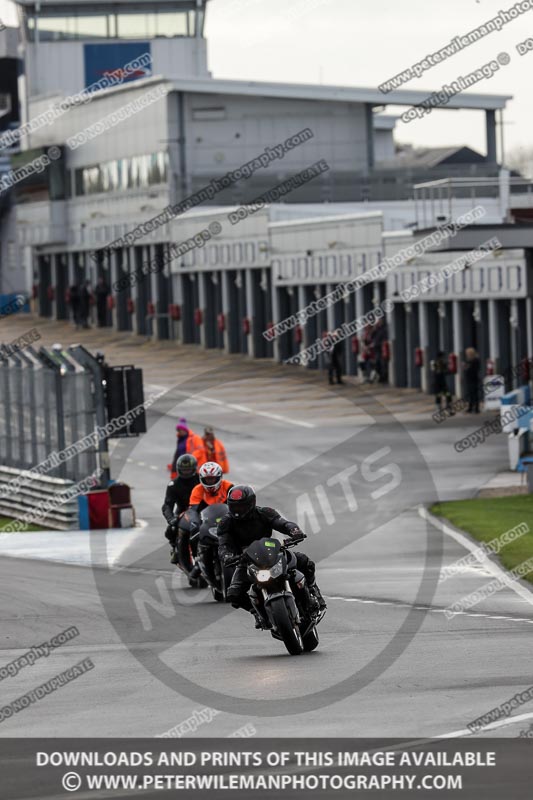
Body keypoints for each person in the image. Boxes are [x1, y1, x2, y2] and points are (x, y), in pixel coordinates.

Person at [218, 485, 326, 628]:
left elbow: (282, 523)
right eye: (235, 507)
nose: (238, 510)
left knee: (305, 562)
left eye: (242, 506)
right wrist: (226, 556)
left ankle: (314, 592)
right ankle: (256, 612)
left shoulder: (265, 513)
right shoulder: (226, 523)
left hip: (273, 553)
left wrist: (294, 530)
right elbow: (223, 544)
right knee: (233, 594)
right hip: (246, 561)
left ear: (251, 503)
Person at [186, 462, 234, 581]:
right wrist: (194, 522)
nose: (210, 482)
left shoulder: (229, 487)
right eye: (207, 479)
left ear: (219, 477)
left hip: (226, 520)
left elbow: (237, 505)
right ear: (201, 479)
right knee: (193, 531)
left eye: (212, 479)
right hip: (207, 521)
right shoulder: (197, 490)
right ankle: (197, 560)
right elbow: (193, 510)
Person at [161, 454, 200, 564]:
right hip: (182, 512)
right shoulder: (173, 485)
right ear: (179, 470)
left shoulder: (201, 480)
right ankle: (175, 549)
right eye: (184, 470)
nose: (186, 472)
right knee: (170, 530)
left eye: (188, 470)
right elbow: (167, 505)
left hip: (201, 511)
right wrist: (171, 519)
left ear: (194, 468)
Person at [463, 347, 481, 414]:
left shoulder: (475, 360)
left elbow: (475, 369)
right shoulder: (468, 360)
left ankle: (476, 408)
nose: (467, 354)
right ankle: (470, 407)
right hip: (469, 379)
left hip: (474, 379)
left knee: (475, 394)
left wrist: (467, 367)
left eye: (467, 353)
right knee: (470, 394)